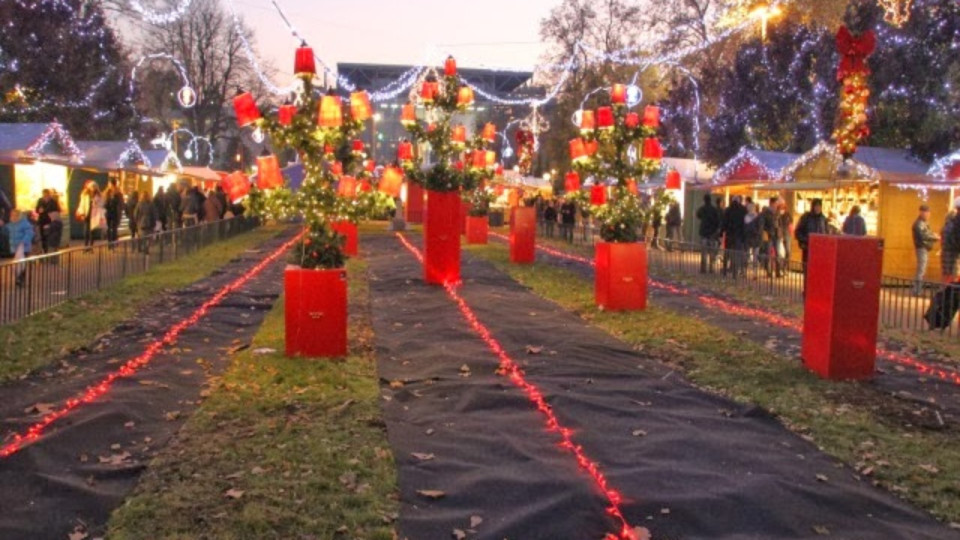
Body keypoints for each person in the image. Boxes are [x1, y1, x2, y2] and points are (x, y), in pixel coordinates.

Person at [795, 198, 828, 287]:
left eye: (819, 206)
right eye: (816, 206)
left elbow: (826, 233)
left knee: (818, 273)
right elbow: (798, 232)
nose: (817, 208)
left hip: (820, 250)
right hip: (808, 249)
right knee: (808, 272)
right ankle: (807, 290)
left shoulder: (823, 219)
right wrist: (806, 240)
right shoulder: (806, 218)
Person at [912, 204, 940, 296]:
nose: (928, 215)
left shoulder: (923, 223)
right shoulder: (919, 223)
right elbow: (923, 236)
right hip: (922, 248)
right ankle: (917, 290)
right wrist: (935, 237)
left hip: (924, 248)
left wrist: (933, 235)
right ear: (922, 212)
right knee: (921, 269)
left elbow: (926, 233)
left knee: (921, 269)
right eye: (926, 212)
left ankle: (917, 289)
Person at [4, 209, 34, 287]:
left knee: (22, 264)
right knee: (15, 265)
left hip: (24, 248)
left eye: (15, 215)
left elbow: (30, 233)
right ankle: (18, 278)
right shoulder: (10, 224)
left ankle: (20, 280)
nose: (13, 216)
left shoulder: (24, 223)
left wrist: (23, 242)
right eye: (12, 215)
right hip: (13, 248)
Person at [696, 194, 721, 274]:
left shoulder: (702, 209)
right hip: (712, 234)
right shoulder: (714, 210)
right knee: (712, 252)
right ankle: (711, 268)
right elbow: (717, 221)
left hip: (704, 233)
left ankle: (703, 269)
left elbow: (698, 215)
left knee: (704, 252)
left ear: (704, 200)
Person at [723, 196, 747, 278]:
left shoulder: (728, 210)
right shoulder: (743, 210)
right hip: (739, 235)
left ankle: (725, 270)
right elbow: (745, 224)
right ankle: (735, 272)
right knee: (736, 253)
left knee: (727, 252)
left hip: (729, 234)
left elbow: (724, 222)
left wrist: (722, 231)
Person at [76, 181, 104, 250]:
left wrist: (96, 203)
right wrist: (81, 213)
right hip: (87, 214)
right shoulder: (84, 195)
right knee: (86, 231)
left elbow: (101, 204)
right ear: (89, 187)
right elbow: (82, 204)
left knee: (92, 231)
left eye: (94, 187)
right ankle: (86, 245)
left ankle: (91, 246)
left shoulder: (99, 195)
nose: (93, 188)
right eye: (92, 187)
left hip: (94, 215)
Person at [759, 197, 779, 278]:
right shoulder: (766, 213)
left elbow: (778, 223)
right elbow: (762, 224)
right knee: (768, 253)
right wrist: (763, 232)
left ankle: (777, 271)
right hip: (769, 234)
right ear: (771, 203)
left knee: (777, 253)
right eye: (775, 203)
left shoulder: (776, 213)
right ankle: (768, 271)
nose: (776, 205)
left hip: (776, 235)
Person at [942, 198, 960, 283]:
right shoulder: (955, 223)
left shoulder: (950, 223)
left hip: (950, 252)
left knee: (949, 275)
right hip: (953, 252)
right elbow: (954, 239)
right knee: (952, 275)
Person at [103, 179, 124, 247]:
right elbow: (121, 203)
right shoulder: (110, 192)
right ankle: (112, 243)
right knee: (112, 228)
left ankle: (112, 243)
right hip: (112, 212)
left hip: (112, 212)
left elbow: (120, 203)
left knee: (112, 228)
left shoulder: (114, 193)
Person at [744, 202, 762, 274]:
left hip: (748, 238)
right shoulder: (758, 217)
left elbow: (745, 229)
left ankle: (745, 271)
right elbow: (760, 229)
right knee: (755, 256)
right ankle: (754, 272)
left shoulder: (746, 217)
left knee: (747, 255)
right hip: (756, 238)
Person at [776, 202, 793, 276]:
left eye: (783, 209)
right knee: (779, 253)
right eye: (780, 209)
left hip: (787, 235)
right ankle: (779, 269)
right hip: (780, 236)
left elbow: (791, 223)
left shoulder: (788, 215)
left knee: (788, 252)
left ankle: (784, 268)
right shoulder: (777, 216)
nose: (782, 210)